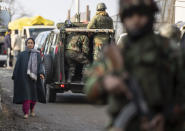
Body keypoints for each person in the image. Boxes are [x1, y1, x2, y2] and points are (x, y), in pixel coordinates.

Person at [84, 0, 185, 130]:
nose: (136, 20)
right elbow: (90, 89)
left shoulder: (169, 50)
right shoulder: (118, 52)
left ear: (151, 15)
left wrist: (168, 116)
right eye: (130, 15)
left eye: (142, 14)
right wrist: (105, 82)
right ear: (123, 18)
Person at [12, 38, 45, 119]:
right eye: (28, 43)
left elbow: (40, 65)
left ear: (34, 44)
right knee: (26, 96)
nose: (30, 44)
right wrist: (14, 74)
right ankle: (26, 112)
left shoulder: (37, 54)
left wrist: (41, 73)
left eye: (31, 43)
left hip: (34, 79)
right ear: (26, 44)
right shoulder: (22, 54)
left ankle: (32, 110)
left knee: (33, 96)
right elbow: (17, 65)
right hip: (24, 78)